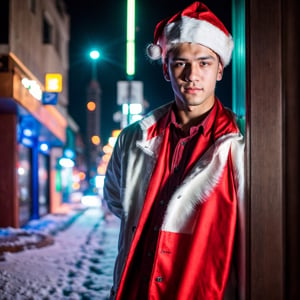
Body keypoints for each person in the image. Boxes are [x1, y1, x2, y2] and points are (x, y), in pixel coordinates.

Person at [103, 2, 245, 299]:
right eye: (181, 63)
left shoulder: (241, 140)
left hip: (204, 290)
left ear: (220, 70)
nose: (192, 75)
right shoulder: (133, 138)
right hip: (137, 289)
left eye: (204, 63)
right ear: (166, 69)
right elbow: (117, 200)